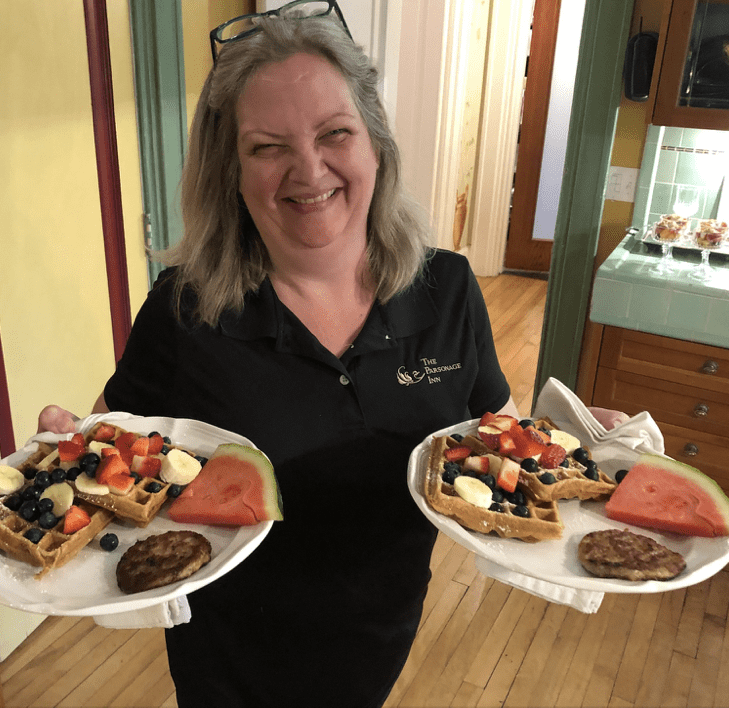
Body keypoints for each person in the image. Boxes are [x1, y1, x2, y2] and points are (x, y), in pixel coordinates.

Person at [39, 3, 518, 706]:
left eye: (335, 133)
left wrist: (582, 457)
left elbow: (503, 439)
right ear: (230, 170)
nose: (309, 169)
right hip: (229, 663)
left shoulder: (448, 290)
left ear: (375, 146)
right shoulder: (185, 307)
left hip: (379, 640)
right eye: (267, 147)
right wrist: (67, 456)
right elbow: (108, 454)